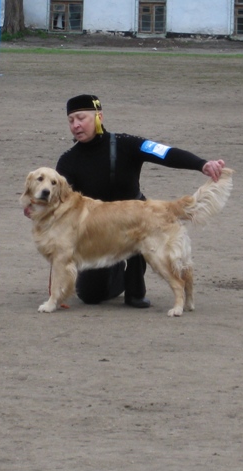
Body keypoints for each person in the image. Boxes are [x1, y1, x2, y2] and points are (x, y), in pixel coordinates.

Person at [54, 94, 226, 309]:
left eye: (81, 118)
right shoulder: (68, 161)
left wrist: (202, 165)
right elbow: (58, 201)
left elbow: (165, 153)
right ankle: (117, 269)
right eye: (71, 120)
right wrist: (36, 208)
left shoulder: (127, 143)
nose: (76, 125)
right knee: (90, 295)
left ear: (99, 117)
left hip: (138, 223)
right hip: (99, 231)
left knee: (138, 225)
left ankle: (136, 287)